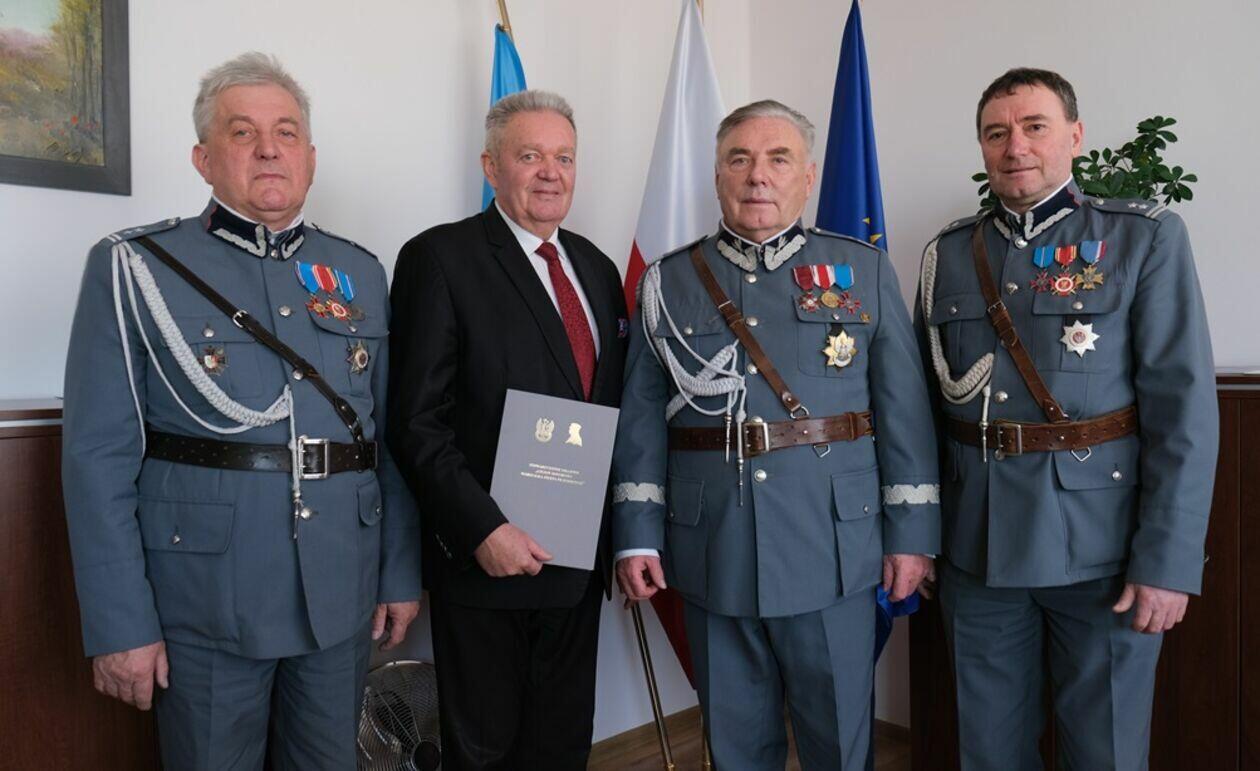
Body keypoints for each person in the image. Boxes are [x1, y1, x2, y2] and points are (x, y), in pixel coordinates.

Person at [61, 52, 421, 769]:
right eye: (242, 132)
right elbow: (97, 459)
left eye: (286, 132)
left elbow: (385, 439)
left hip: (339, 589)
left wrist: (398, 572)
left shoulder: (359, 272)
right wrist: (120, 623)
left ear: (310, 158)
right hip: (205, 602)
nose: (268, 149)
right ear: (203, 158)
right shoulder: (137, 266)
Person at [611, 99, 940, 769]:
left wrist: (912, 535)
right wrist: (637, 532)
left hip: (832, 545)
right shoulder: (668, 281)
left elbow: (903, 413)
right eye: (739, 159)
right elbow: (642, 418)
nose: (757, 175)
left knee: (838, 742)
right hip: (714, 545)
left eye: (778, 159)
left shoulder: (862, 270)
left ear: (808, 176)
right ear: (717, 175)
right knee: (735, 746)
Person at [915, 67, 1217, 770]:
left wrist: (1168, 561)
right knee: (988, 752)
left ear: (1075, 136)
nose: (1015, 146)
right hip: (978, 549)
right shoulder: (949, 254)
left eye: (1034, 127)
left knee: (1104, 752)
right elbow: (923, 410)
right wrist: (918, 536)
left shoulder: (1141, 238)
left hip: (1102, 550)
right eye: (996, 133)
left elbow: (1183, 415)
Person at [387, 89, 628, 770]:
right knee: (485, 754)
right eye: (530, 156)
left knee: (561, 746)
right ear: (491, 166)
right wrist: (483, 529)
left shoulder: (597, 269)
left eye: (564, 158)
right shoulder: (440, 258)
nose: (550, 172)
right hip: (487, 562)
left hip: (578, 564)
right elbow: (415, 422)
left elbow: (610, 410)